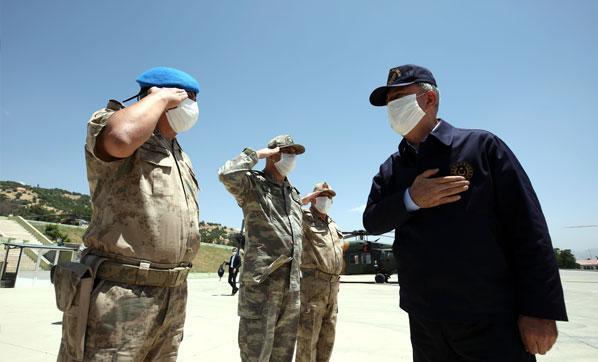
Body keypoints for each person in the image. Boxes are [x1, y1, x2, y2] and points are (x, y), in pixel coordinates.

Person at [362, 64, 567, 361]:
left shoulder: (482, 147)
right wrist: (410, 198)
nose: (392, 108)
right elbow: (372, 220)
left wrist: (540, 311)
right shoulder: (392, 168)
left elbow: (528, 229)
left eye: (399, 98)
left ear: (430, 99)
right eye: (389, 102)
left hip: (489, 318)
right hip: (424, 321)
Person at [58, 66, 202, 361]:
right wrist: (159, 98)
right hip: (122, 292)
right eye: (185, 97)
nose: (192, 105)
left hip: (171, 297)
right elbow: (120, 139)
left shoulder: (179, 154)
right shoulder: (110, 120)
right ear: (156, 94)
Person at [218, 135, 304, 361]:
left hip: (291, 290)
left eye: (294, 153)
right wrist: (256, 154)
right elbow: (226, 175)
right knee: (256, 356)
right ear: (272, 154)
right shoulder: (253, 185)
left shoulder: (294, 194)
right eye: (287, 152)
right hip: (262, 288)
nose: (291, 157)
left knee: (282, 356)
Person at [295, 182, 344, 362]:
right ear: (313, 198)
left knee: (327, 340)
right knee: (307, 342)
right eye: (322, 195)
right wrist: (306, 199)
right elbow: (287, 208)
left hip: (332, 289)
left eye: (329, 196)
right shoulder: (303, 217)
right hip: (312, 288)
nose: (326, 199)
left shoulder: (333, 224)